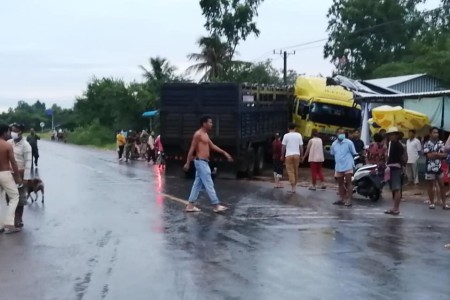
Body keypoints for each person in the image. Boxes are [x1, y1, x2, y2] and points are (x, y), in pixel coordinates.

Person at [184, 116, 233, 213]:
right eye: (210, 122)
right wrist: (187, 162)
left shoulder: (205, 134)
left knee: (197, 185)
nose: (212, 124)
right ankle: (216, 205)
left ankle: (190, 206)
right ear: (204, 123)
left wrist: (224, 153)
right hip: (200, 162)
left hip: (204, 162)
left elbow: (212, 146)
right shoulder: (198, 134)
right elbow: (192, 148)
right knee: (209, 183)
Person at [8, 123, 32, 228]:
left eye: (15, 130)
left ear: (20, 131)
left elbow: (28, 162)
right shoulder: (9, 142)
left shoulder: (26, 145)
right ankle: (11, 218)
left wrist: (26, 178)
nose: (12, 132)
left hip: (21, 174)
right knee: (10, 198)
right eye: (11, 130)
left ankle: (18, 219)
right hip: (9, 174)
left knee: (20, 198)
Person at [0, 123, 22, 234]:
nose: (10, 133)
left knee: (0, 199)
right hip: (5, 173)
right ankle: (9, 223)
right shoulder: (7, 145)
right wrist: (18, 177)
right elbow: (13, 162)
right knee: (14, 197)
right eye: (8, 131)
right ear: (4, 132)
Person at [423, 127, 449, 210]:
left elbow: (445, 155)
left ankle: (444, 203)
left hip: (439, 168)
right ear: (430, 133)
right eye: (434, 132)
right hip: (429, 168)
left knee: (442, 186)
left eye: (437, 132)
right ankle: (432, 202)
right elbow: (428, 155)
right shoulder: (427, 143)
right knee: (430, 186)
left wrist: (434, 154)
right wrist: (438, 154)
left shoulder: (441, 143)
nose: (436, 134)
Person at [330, 128, 357, 206]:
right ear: (336, 134)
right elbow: (333, 153)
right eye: (340, 133)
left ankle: (349, 200)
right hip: (338, 166)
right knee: (340, 183)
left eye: (343, 133)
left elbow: (353, 152)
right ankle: (341, 199)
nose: (341, 134)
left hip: (348, 165)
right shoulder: (334, 144)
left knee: (349, 183)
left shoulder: (349, 143)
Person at [384, 127, 406, 215]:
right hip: (391, 167)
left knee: (396, 188)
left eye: (392, 134)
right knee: (394, 188)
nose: (391, 136)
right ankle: (394, 207)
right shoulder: (391, 144)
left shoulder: (398, 145)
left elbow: (401, 158)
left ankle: (396, 208)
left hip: (396, 168)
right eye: (390, 135)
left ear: (396, 136)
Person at [281, 123, 303, 194]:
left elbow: (283, 147)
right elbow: (301, 147)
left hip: (288, 155)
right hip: (297, 155)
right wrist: (301, 156)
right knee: (296, 170)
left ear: (288, 128)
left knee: (290, 171)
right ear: (295, 128)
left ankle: (293, 187)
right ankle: (294, 187)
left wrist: (282, 155)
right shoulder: (299, 135)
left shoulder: (286, 136)